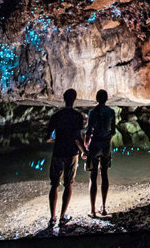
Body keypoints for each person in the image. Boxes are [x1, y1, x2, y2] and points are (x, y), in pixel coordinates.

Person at [45, 89, 88, 227]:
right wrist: (84, 151)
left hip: (58, 152)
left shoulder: (56, 116)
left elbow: (48, 138)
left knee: (54, 184)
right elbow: (77, 137)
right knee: (68, 183)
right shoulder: (77, 116)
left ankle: (52, 218)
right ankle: (63, 217)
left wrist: (56, 138)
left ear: (64, 99)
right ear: (74, 99)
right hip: (71, 153)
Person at [85, 89, 116, 217]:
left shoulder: (92, 112)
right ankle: (103, 207)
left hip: (95, 144)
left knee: (93, 176)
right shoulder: (111, 112)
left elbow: (88, 131)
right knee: (104, 174)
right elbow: (113, 131)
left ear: (97, 99)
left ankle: (92, 210)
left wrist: (86, 146)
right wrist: (108, 140)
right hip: (106, 145)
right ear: (106, 99)